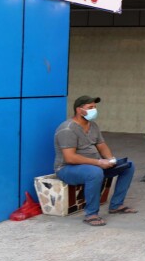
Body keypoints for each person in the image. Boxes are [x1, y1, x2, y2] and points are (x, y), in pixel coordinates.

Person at [54, 95, 137, 227]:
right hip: (67, 169)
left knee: (128, 166)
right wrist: (98, 163)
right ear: (79, 110)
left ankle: (116, 205)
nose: (94, 110)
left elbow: (102, 145)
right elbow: (70, 158)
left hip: (94, 165)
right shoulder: (67, 129)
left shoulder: (93, 126)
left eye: (95, 107)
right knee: (95, 172)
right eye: (90, 107)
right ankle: (91, 214)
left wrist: (110, 160)